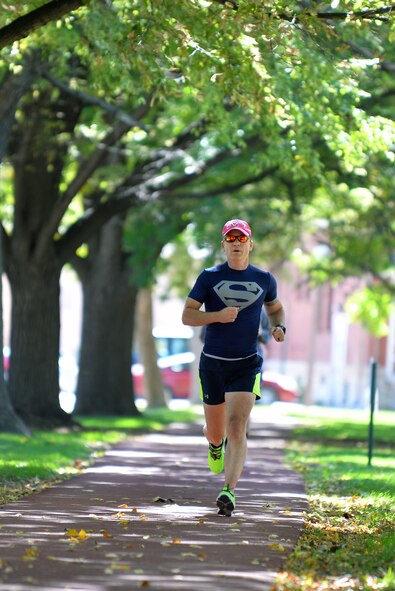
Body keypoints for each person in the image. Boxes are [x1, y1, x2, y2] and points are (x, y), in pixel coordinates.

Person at [182, 218, 286, 516]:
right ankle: (215, 445)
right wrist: (216, 315)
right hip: (213, 364)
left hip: (246, 364)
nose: (237, 243)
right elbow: (188, 315)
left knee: (237, 426)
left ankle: (228, 491)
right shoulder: (209, 277)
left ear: (250, 244)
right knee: (217, 432)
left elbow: (275, 308)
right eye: (231, 238)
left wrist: (280, 327)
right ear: (223, 245)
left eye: (242, 239)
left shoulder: (264, 278)